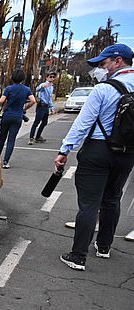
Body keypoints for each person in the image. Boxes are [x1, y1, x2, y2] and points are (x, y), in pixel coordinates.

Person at [56, 43, 134, 271]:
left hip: (98, 151)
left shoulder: (103, 89)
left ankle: (78, 255)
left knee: (89, 204)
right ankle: (104, 247)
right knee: (112, 198)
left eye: (103, 63)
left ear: (118, 61)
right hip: (127, 153)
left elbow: (83, 123)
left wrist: (64, 149)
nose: (100, 69)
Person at [0, 69, 36, 168]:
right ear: (23, 78)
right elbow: (33, 101)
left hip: (7, 116)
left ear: (12, 78)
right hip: (17, 117)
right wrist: (25, 108)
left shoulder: (9, 88)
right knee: (11, 139)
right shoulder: (26, 89)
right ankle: (6, 162)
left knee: (2, 137)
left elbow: (2, 100)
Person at [29, 71, 57, 144]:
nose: (52, 78)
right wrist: (42, 86)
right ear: (47, 77)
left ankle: (38, 136)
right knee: (36, 122)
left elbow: (49, 98)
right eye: (50, 77)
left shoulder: (51, 86)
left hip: (46, 106)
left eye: (53, 77)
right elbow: (37, 89)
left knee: (44, 122)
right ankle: (31, 138)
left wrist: (51, 107)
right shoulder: (44, 84)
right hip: (41, 105)